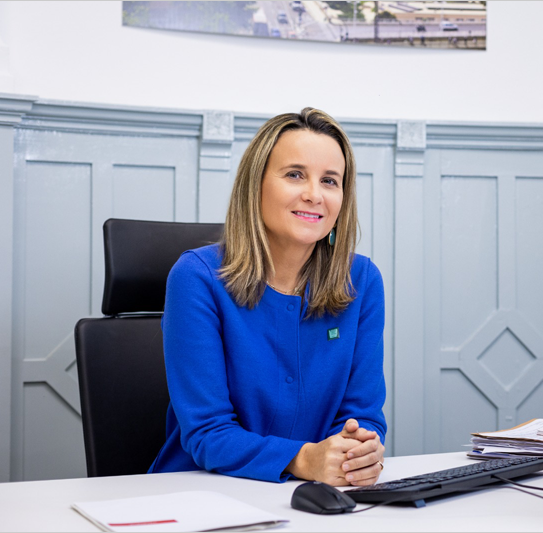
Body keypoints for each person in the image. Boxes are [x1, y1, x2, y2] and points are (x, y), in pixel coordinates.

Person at [149, 108, 387, 486]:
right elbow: (207, 432)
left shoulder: (363, 281)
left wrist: (359, 450)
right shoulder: (196, 277)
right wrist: (302, 458)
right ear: (255, 184)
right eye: (295, 175)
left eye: (330, 181)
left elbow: (364, 414)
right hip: (199, 492)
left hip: (313, 494)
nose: (314, 194)